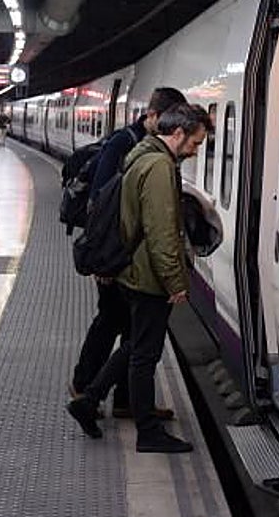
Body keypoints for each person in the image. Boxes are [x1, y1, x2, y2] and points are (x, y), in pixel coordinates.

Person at [67, 102, 211, 453]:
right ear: (177, 134)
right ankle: (148, 432)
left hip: (133, 269)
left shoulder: (141, 155)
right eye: (194, 143)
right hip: (148, 274)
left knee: (137, 345)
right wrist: (176, 283)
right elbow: (161, 231)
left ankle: (89, 400)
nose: (194, 152)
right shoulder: (160, 166)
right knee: (145, 354)